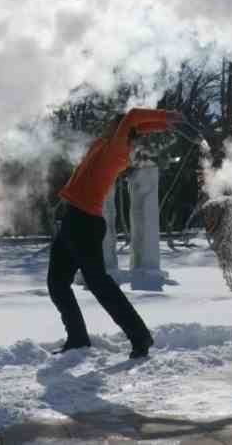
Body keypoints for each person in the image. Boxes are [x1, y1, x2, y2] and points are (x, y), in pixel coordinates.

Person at [48, 106, 180, 359]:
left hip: (84, 223)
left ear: (122, 132)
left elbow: (132, 118)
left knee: (100, 285)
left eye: (115, 125)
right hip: (72, 219)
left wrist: (166, 116)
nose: (109, 126)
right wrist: (164, 126)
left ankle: (140, 335)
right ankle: (77, 338)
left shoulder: (116, 151)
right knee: (57, 283)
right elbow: (135, 125)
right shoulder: (107, 144)